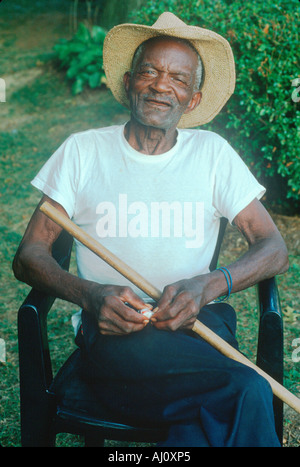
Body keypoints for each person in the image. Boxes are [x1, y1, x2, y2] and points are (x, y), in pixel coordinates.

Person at [13, 12, 289, 447]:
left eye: (178, 79)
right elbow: (29, 255)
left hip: (199, 324)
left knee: (206, 418)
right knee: (246, 389)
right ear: (128, 83)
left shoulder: (213, 154)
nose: (162, 86)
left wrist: (209, 284)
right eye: (149, 72)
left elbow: (274, 247)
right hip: (117, 332)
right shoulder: (82, 152)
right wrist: (90, 295)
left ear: (193, 99)